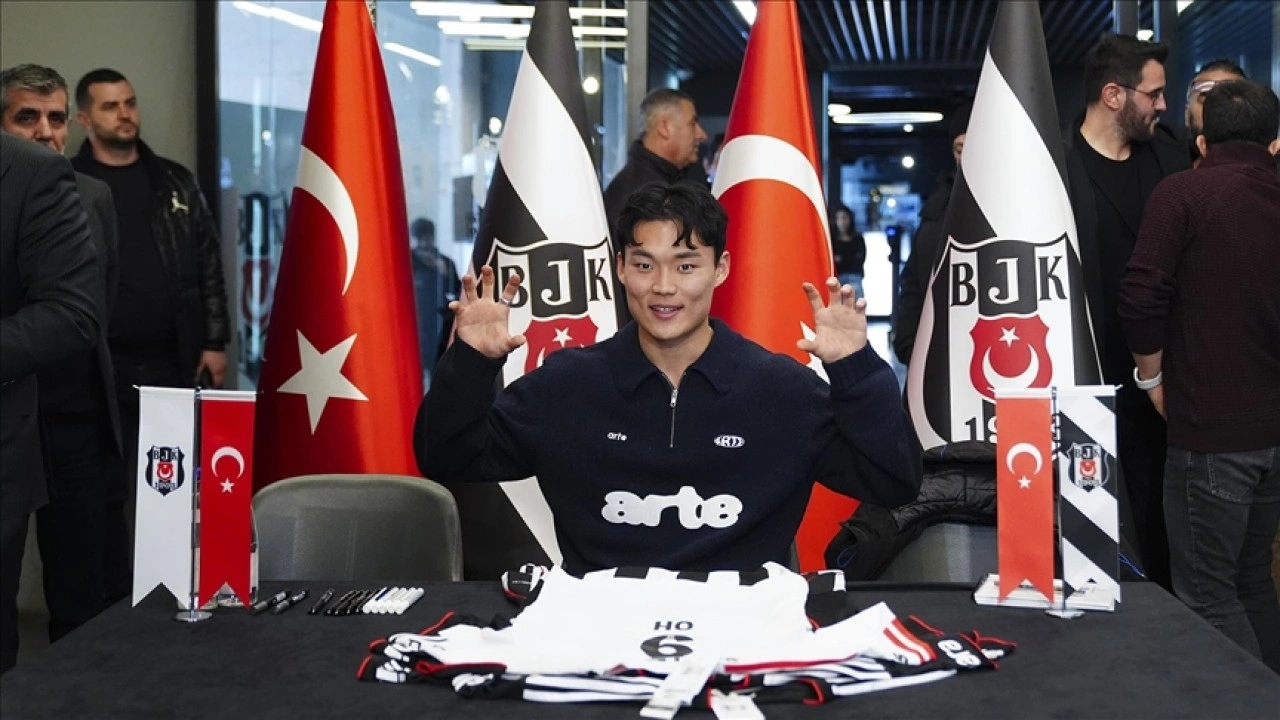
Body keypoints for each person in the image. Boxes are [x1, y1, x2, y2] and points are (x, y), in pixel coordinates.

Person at [416, 182, 922, 574]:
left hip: (744, 632)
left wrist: (856, 369)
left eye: (685, 266)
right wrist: (471, 363)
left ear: (720, 268)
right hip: (597, 635)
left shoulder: (782, 389)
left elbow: (894, 480)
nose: (663, 287)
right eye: (644, 265)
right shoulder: (567, 384)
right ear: (620, 268)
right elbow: (447, 456)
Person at [1118, 79, 1280, 673]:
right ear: (1275, 143)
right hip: (1273, 433)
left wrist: (1150, 379)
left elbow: (1140, 297)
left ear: (1204, 142)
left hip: (1212, 430)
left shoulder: (1182, 193)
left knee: (1208, 595)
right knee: (1253, 579)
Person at [70, 68, 230, 605]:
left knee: (173, 488)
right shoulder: (68, 184)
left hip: (171, 363)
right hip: (100, 369)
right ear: (85, 118)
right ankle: (114, 604)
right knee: (104, 493)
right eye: (110, 106)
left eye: (130, 102)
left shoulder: (174, 182)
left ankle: (173, 596)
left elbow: (208, 266)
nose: (125, 114)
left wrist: (215, 341)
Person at [1063, 34, 1190, 590]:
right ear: (1113, 95)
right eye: (1153, 94)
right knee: (1093, 528)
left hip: (1164, 375)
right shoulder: (1055, 164)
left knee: (1164, 525)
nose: (1163, 105)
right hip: (1085, 376)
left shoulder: (1171, 158)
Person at [1, 63, 120, 642]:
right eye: (27, 117)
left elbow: (96, 304)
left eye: (55, 118)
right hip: (14, 409)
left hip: (74, 416)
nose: (45, 131)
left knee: (80, 581)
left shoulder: (93, 195)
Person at [603, 89, 708, 326]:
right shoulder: (641, 193)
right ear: (665, 127)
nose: (701, 134)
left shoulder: (647, 182)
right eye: (692, 123)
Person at [891, 102, 970, 365]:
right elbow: (913, 279)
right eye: (960, 149)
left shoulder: (1017, 201)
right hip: (935, 353)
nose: (966, 156)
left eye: (974, 146)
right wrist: (908, 342)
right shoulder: (937, 206)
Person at [409, 217, 460, 381]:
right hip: (413, 322)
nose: (424, 244)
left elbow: (457, 290)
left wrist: (443, 272)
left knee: (436, 369)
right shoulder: (407, 260)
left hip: (436, 323)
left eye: (428, 238)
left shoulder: (444, 262)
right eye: (420, 239)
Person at [1183, 59, 1246, 168]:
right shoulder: (1169, 170)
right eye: (1206, 99)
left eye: (1230, 100)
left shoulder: (1270, 173)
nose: (1218, 109)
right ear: (1187, 115)